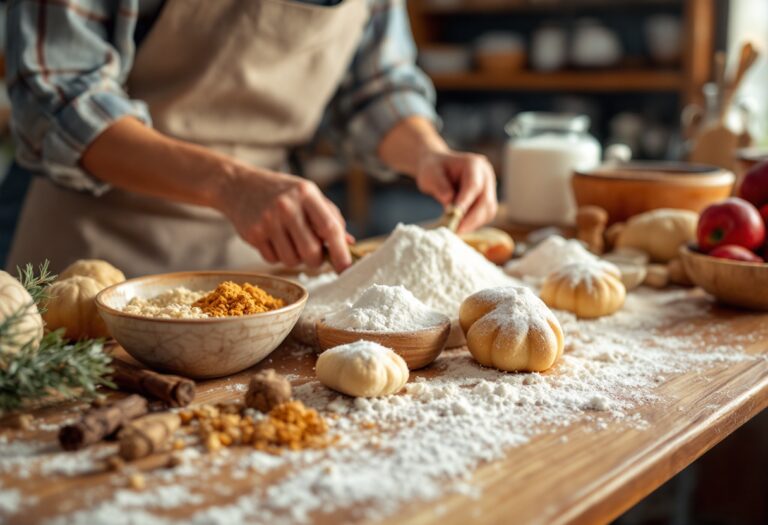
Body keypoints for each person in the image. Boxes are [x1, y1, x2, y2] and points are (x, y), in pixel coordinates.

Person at [4, 0, 497, 277]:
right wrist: (231, 185)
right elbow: (61, 101)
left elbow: (375, 89)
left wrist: (429, 152)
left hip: (262, 263)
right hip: (94, 254)